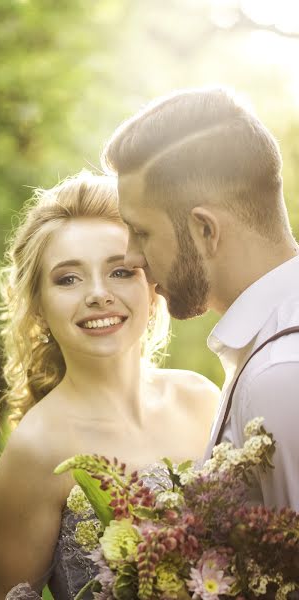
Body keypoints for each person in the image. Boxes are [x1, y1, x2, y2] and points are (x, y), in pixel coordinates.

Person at [0, 171, 219, 599]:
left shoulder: (204, 400)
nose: (98, 294)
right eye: (68, 279)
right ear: (38, 305)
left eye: (120, 271)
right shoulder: (35, 451)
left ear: (153, 290)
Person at [101, 86, 299, 511]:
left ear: (205, 230)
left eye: (142, 232)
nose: (133, 257)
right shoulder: (268, 348)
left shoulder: (280, 375)